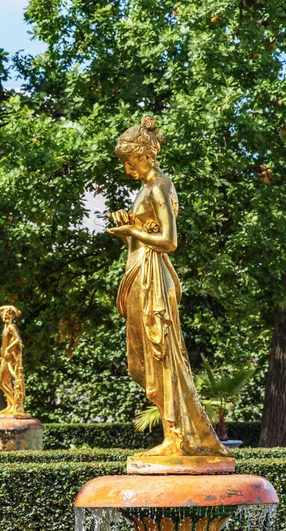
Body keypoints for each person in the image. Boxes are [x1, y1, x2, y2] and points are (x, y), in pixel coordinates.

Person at [109, 115, 228, 457]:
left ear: (145, 156)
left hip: (152, 278)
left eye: (130, 162)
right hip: (138, 275)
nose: (128, 169)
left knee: (161, 355)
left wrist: (132, 231)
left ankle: (176, 439)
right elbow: (147, 226)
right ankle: (172, 437)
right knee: (142, 361)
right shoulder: (145, 188)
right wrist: (127, 219)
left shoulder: (160, 185)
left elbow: (169, 240)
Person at [0, 305, 29, 418]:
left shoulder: (12, 326)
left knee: (0, 382)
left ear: (11, 316)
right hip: (3, 357)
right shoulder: (5, 327)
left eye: (6, 314)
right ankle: (10, 405)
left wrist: (9, 349)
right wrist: (10, 307)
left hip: (9, 357)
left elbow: (19, 339)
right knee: (6, 382)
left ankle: (14, 404)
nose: (3, 315)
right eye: (3, 314)